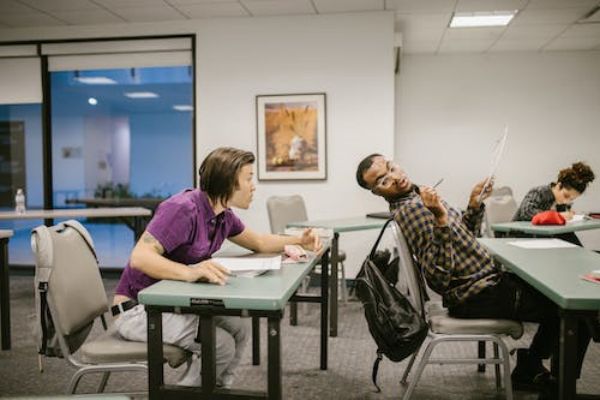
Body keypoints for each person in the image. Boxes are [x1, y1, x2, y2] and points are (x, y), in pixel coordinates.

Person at [356, 154, 591, 399]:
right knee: (574, 311)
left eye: (391, 167)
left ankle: (530, 367)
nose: (394, 177)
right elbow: (438, 278)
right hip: (476, 294)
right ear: (377, 192)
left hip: (484, 284)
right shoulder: (414, 209)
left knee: (557, 296)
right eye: (383, 180)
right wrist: (440, 218)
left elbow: (463, 235)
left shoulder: (418, 196)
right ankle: (558, 387)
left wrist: (474, 205)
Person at [112, 147, 322, 389]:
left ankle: (218, 389)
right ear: (228, 181)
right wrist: (191, 272)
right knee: (221, 345)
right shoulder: (182, 209)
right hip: (138, 311)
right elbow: (140, 257)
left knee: (241, 327)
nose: (253, 186)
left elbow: (260, 242)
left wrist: (300, 240)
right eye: (248, 179)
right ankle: (188, 393)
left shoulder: (223, 216)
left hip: (171, 304)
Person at [513, 161, 595, 245]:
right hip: (521, 236)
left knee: (568, 237)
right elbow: (526, 212)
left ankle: (579, 252)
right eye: (566, 196)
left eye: (571, 199)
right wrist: (558, 216)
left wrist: (569, 217)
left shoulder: (560, 203)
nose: (566, 201)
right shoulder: (539, 192)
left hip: (543, 235)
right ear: (558, 186)